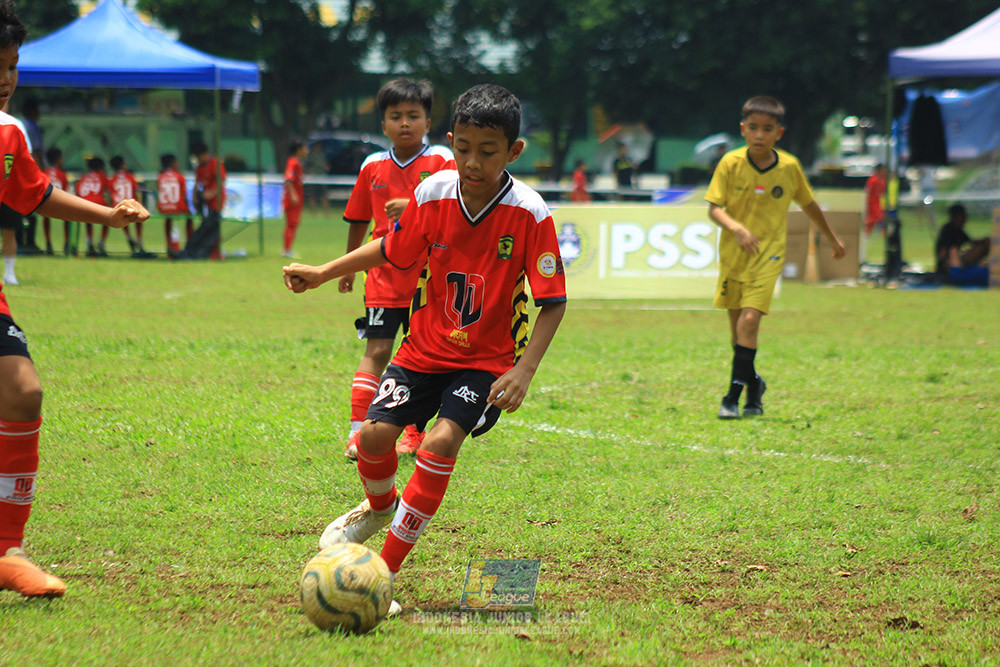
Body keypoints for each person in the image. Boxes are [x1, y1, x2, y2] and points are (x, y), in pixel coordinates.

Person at [283, 84, 567, 612]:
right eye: (462, 148)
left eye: (488, 151)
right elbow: (392, 248)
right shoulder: (433, 192)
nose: (472, 162)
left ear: (514, 152)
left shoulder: (530, 213)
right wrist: (324, 272)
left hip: (486, 362)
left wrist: (524, 371)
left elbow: (553, 301)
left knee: (438, 445)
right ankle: (378, 507)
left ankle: (382, 574)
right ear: (450, 141)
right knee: (373, 438)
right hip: (421, 350)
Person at [0, 0, 150, 598]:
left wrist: (108, 218)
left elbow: (33, 193)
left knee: (23, 390)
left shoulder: (8, 133)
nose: (7, 78)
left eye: (12, 66)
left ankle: (7, 549)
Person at [706, 95, 845, 420]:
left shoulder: (789, 167)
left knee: (750, 321)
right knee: (738, 335)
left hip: (768, 257)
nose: (759, 135)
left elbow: (810, 205)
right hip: (733, 257)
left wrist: (832, 238)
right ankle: (755, 385)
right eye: (753, 128)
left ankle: (732, 397)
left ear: (778, 133)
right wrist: (737, 228)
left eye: (767, 129)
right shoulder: (730, 163)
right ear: (742, 129)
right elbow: (714, 208)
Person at [338, 78, 455, 459]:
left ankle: (413, 431)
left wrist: (414, 207)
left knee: (422, 354)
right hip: (384, 276)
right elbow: (356, 218)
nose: (405, 123)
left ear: (428, 121)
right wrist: (348, 266)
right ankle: (358, 432)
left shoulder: (441, 161)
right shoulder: (372, 165)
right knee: (378, 349)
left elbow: (455, 207)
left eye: (413, 116)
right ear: (383, 123)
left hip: (428, 278)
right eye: (395, 116)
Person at [176, 141, 225, 260]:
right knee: (208, 226)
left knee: (211, 227)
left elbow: (221, 182)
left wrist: (211, 193)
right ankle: (200, 251)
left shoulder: (215, 164)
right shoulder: (199, 167)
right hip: (205, 202)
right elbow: (197, 183)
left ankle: (201, 251)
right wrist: (194, 196)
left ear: (203, 154)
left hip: (216, 201)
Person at [0, 107, 30, 283]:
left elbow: (26, 157)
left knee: (9, 231)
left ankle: (9, 273)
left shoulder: (15, 124)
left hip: (9, 189)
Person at [935, 203, 990, 286]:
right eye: (963, 216)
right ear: (957, 216)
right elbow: (943, 252)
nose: (965, 219)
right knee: (982, 247)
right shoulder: (948, 230)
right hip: (950, 265)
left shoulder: (959, 231)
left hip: (957, 262)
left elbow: (970, 242)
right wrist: (944, 265)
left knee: (983, 245)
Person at [109, 155, 147, 256]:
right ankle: (139, 239)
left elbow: (110, 193)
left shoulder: (112, 178)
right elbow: (136, 191)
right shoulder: (130, 176)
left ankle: (129, 237)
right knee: (139, 219)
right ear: (122, 165)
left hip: (119, 205)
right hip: (131, 204)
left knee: (124, 220)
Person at [156, 153, 193, 254]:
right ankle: (190, 244)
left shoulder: (160, 176)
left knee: (168, 219)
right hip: (177, 207)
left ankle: (169, 245)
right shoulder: (180, 176)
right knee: (190, 217)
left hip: (163, 208)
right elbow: (183, 194)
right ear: (172, 163)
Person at [76, 156, 111, 257]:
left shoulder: (84, 177)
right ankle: (102, 242)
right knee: (109, 218)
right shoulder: (102, 176)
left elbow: (78, 190)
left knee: (88, 220)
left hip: (83, 204)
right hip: (98, 202)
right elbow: (108, 191)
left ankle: (89, 243)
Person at [42, 147, 71, 256]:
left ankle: (48, 242)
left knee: (45, 217)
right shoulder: (62, 174)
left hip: (45, 203)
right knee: (68, 218)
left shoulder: (44, 172)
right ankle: (67, 243)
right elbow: (65, 190)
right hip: (60, 203)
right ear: (59, 159)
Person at [282, 139, 308, 258]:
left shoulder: (297, 162)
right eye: (304, 147)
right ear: (299, 150)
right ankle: (287, 250)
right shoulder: (293, 162)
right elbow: (288, 179)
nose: (306, 150)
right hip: (292, 200)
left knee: (293, 224)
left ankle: (288, 249)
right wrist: (293, 195)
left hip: (296, 199)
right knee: (291, 224)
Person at [861, 163, 886, 262]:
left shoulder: (883, 180)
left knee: (883, 222)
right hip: (872, 205)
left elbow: (882, 193)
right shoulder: (873, 179)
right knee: (870, 225)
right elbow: (868, 192)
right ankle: (864, 241)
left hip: (878, 206)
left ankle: (885, 239)